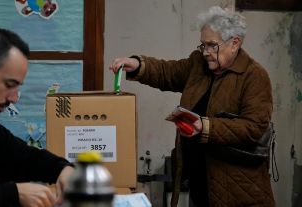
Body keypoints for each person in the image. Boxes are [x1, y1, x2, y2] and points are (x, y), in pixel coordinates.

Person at [109, 6, 275, 207]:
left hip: (238, 188)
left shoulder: (254, 76)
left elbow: (254, 127)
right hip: (200, 180)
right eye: (202, 45)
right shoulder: (198, 65)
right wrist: (138, 65)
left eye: (211, 45)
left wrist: (205, 127)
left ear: (235, 43)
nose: (205, 52)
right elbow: (167, 72)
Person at [0, 28, 74, 207]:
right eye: (9, 85)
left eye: (17, 87)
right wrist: (13, 194)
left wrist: (62, 169)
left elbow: (22, 157)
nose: (13, 98)